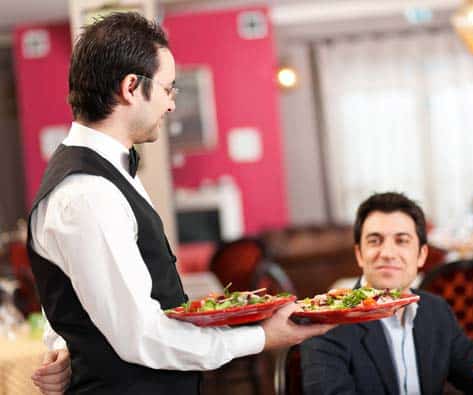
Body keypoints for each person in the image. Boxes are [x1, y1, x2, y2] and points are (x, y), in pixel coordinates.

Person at [27, 12, 334, 395]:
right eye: (169, 88)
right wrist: (261, 337)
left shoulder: (108, 172)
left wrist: (62, 346)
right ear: (132, 87)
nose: (171, 105)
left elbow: (77, 294)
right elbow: (142, 335)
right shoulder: (88, 192)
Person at [301, 192, 473, 395]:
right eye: (375, 241)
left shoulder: (436, 311)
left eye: (402, 240)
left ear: (421, 255)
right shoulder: (324, 324)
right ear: (359, 255)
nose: (387, 253)